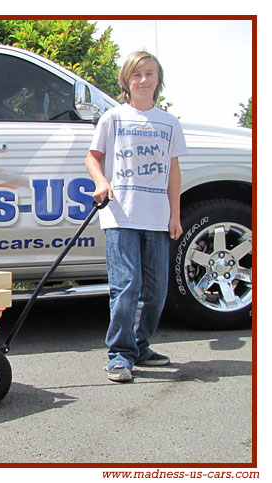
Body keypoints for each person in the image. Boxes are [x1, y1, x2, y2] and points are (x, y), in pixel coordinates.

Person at [84, 51, 188, 382]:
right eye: (137, 74)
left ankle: (140, 345)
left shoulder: (169, 123)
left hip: (157, 217)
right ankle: (120, 354)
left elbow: (173, 171)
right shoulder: (113, 118)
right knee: (127, 285)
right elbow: (93, 157)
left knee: (155, 290)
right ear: (127, 81)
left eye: (150, 73)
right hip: (121, 214)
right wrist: (101, 181)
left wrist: (176, 214)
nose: (143, 79)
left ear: (159, 80)